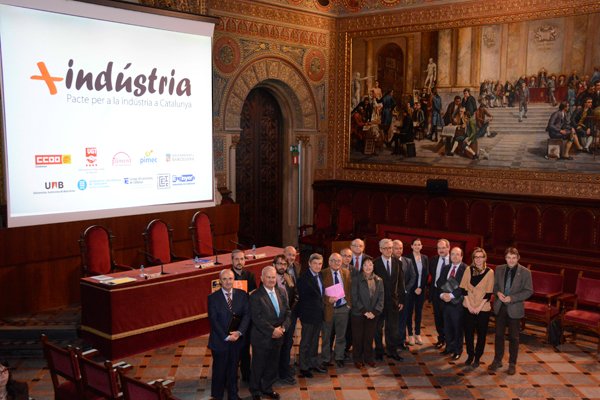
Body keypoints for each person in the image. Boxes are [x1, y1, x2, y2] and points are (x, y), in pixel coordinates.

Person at [488, 247, 533, 376]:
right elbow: (494, 286)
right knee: (498, 335)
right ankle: (497, 360)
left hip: (515, 308)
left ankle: (512, 363)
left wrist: (512, 298)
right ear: (505, 258)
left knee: (514, 337)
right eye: (508, 257)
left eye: (513, 258)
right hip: (500, 306)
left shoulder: (525, 272)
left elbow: (529, 291)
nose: (511, 260)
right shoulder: (499, 269)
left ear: (518, 258)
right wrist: (497, 293)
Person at [207, 269, 251, 400]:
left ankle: (233, 395)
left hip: (236, 340)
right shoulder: (213, 298)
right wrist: (226, 336)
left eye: (230, 279)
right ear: (220, 281)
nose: (228, 282)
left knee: (233, 370)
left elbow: (247, 315)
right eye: (224, 279)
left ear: (234, 280)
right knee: (219, 372)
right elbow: (213, 320)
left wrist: (239, 332)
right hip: (220, 341)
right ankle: (217, 396)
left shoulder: (242, 295)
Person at [249, 266, 290, 400]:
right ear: (262, 278)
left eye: (273, 277)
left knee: (272, 365)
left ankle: (267, 388)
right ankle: (255, 390)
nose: (271, 280)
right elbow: (257, 318)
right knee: (258, 365)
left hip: (279, 336)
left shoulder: (281, 292)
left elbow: (288, 312)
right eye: (268, 277)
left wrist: (282, 328)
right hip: (262, 337)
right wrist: (272, 330)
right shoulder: (255, 296)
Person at [460, 248, 493, 370]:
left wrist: (479, 307)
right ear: (473, 258)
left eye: (481, 257)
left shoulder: (490, 272)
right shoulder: (468, 269)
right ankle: (470, 355)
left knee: (481, 334)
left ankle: (477, 357)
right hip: (468, 306)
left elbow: (488, 293)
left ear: (485, 258)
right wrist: (469, 305)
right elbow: (463, 289)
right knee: (468, 333)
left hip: (483, 308)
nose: (478, 259)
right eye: (476, 257)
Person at [374, 238, 405, 361]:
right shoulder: (375, 263)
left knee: (392, 328)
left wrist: (401, 300)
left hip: (393, 302)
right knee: (378, 328)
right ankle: (379, 351)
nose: (388, 250)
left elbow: (401, 283)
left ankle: (392, 351)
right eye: (385, 248)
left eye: (390, 248)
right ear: (380, 249)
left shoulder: (398, 263)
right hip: (379, 302)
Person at [350, 256, 384, 368]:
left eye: (370, 264)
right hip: (358, 313)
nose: (368, 267)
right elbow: (354, 297)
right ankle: (357, 359)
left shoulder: (379, 280)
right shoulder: (356, 279)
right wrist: (364, 311)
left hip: (373, 314)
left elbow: (381, 298)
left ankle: (368, 358)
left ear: (373, 266)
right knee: (357, 338)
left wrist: (374, 312)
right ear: (362, 267)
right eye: (365, 265)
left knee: (369, 337)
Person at [320, 253, 352, 368]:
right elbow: (319, 291)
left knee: (341, 336)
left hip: (343, 309)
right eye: (333, 260)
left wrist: (349, 305)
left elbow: (349, 289)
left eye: (338, 261)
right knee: (326, 336)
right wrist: (327, 299)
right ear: (329, 262)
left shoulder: (346, 273)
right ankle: (325, 358)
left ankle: (339, 357)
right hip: (328, 309)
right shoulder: (323, 273)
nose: (336, 263)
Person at [296, 253, 326, 378]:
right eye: (315, 263)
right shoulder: (303, 278)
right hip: (308, 316)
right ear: (309, 263)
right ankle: (304, 367)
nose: (318, 266)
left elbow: (320, 295)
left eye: (320, 264)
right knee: (306, 342)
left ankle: (313, 363)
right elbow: (302, 299)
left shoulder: (320, 275)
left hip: (318, 315)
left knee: (314, 342)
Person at [436, 247, 467, 361]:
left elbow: (464, 287)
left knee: (457, 328)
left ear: (461, 256)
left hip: (457, 303)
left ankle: (457, 350)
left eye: (457, 254)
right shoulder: (446, 267)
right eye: (452, 254)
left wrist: (451, 295)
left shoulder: (466, 269)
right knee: (447, 327)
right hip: (445, 303)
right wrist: (442, 295)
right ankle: (449, 348)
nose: (454, 256)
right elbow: (439, 282)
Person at [231, 249, 256, 382]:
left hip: (246, 317)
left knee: (245, 348)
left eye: (242, 259)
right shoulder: (228, 276)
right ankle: (232, 376)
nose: (239, 262)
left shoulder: (250, 276)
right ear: (232, 261)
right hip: (232, 319)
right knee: (233, 349)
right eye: (236, 259)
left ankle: (246, 374)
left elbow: (253, 295)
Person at [273, 254, 299, 385]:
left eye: (284, 264)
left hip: (289, 318)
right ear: (274, 265)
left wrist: (289, 312)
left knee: (287, 344)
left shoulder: (289, 277)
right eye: (279, 264)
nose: (282, 266)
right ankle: (274, 372)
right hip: (275, 319)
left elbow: (295, 295)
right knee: (276, 346)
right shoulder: (270, 279)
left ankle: (284, 372)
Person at [405, 238, 429, 346]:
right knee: (409, 312)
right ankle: (410, 334)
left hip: (421, 290)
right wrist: (414, 287)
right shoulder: (407, 258)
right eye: (415, 244)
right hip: (411, 290)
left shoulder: (425, 258)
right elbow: (407, 275)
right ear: (411, 246)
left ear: (421, 246)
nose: (417, 246)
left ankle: (418, 334)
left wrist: (421, 287)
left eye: (419, 244)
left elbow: (426, 274)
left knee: (419, 312)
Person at [393, 240, 415, 350]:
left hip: (405, 297)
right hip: (392, 297)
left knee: (403, 320)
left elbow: (413, 277)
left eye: (400, 248)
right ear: (392, 249)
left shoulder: (408, 261)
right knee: (392, 321)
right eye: (396, 248)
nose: (399, 250)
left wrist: (405, 290)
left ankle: (401, 341)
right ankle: (391, 342)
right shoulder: (388, 261)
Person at [429, 239, 450, 349]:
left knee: (448, 318)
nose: (441, 250)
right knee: (438, 317)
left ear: (448, 248)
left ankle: (449, 340)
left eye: (443, 248)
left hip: (449, 294)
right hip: (436, 292)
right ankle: (441, 339)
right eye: (439, 248)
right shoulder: (433, 260)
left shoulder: (453, 260)